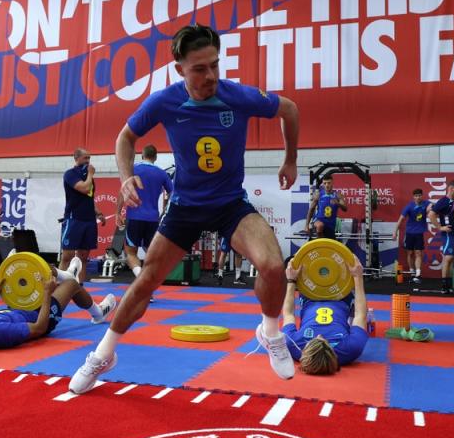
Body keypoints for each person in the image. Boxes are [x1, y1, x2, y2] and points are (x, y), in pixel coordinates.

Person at [69, 24, 300, 394]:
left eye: (214, 65)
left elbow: (289, 109)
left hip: (229, 205)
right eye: (199, 68)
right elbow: (125, 137)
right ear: (180, 69)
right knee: (145, 281)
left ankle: (270, 331)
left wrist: (290, 160)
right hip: (185, 207)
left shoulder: (237, 96)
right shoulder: (164, 101)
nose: (210, 75)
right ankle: (103, 354)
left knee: (274, 266)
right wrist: (126, 176)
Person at [0, 265, 117, 349]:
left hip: (18, 309)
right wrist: (47, 294)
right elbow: (39, 328)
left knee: (45, 270)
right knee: (71, 285)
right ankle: (99, 313)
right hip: (40, 317)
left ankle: (63, 272)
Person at [281, 256, 369, 375]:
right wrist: (358, 277)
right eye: (323, 339)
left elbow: (288, 313)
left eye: (315, 339)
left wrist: (291, 280)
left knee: (297, 261)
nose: (320, 334)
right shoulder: (351, 349)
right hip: (340, 296)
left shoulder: (293, 345)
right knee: (345, 260)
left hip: (310, 295)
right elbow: (360, 314)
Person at [115, 144, 172, 278]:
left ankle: (141, 281)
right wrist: (166, 211)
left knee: (131, 253)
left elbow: (123, 192)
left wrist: (118, 212)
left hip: (134, 217)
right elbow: (174, 193)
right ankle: (148, 284)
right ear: (155, 157)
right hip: (152, 219)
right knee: (151, 253)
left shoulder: (133, 169)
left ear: (142, 155)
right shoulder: (162, 173)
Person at [61, 148, 106, 283]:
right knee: (67, 255)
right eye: (85, 158)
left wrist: (98, 212)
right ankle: (59, 284)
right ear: (77, 158)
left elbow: (89, 197)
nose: (88, 161)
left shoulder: (88, 176)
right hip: (74, 219)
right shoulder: (70, 174)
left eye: (89, 158)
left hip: (89, 220)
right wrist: (91, 174)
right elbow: (85, 188)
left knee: (83, 256)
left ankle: (79, 286)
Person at [428, 180, 454, 293]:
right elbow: (431, 214)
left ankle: (453, 284)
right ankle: (444, 286)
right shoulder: (443, 201)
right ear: (451, 189)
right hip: (449, 235)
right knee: (448, 258)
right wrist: (440, 227)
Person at [392, 189, 430, 282]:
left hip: (419, 233)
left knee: (418, 253)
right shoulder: (409, 206)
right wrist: (395, 232)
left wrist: (431, 210)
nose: (418, 197)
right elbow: (400, 219)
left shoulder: (426, 203)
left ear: (422, 196)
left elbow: (433, 208)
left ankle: (418, 274)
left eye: (419, 195)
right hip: (409, 233)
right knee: (410, 253)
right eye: (416, 196)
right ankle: (412, 271)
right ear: (413, 197)